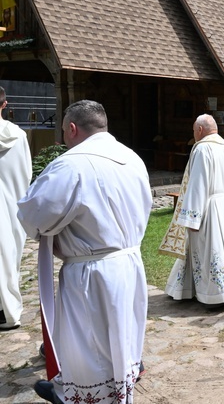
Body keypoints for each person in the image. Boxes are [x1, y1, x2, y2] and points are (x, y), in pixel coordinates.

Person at [17, 100, 152, 404]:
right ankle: (115, 390)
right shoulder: (132, 158)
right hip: (129, 264)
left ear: (73, 129)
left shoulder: (71, 164)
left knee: (89, 344)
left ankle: (84, 396)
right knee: (121, 336)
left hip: (91, 274)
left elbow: (34, 216)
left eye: (63, 131)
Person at [162, 114, 224, 309]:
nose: (194, 134)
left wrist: (192, 219)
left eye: (194, 130)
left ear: (200, 130)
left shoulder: (203, 149)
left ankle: (215, 296)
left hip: (207, 208)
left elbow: (197, 185)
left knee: (210, 251)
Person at [0, 86, 32, 330]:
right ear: (5, 104)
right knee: (8, 256)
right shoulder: (19, 136)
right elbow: (26, 173)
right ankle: (7, 311)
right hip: (11, 204)